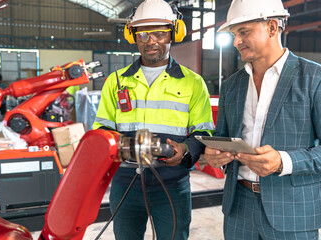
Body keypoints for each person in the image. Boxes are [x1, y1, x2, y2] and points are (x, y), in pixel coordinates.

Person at [93, 0, 214, 239]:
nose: (151, 42)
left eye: (159, 34)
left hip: (173, 184)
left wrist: (185, 149)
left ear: (173, 34)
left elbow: (204, 133)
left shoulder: (193, 83)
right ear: (133, 36)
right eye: (143, 35)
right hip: (125, 183)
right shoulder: (116, 82)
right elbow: (102, 131)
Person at [204, 0, 321, 239]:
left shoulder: (314, 79)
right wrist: (216, 155)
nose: (236, 41)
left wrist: (283, 161)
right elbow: (222, 137)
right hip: (239, 208)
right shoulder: (232, 85)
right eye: (235, 34)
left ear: (271, 27)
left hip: (292, 211)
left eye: (244, 32)